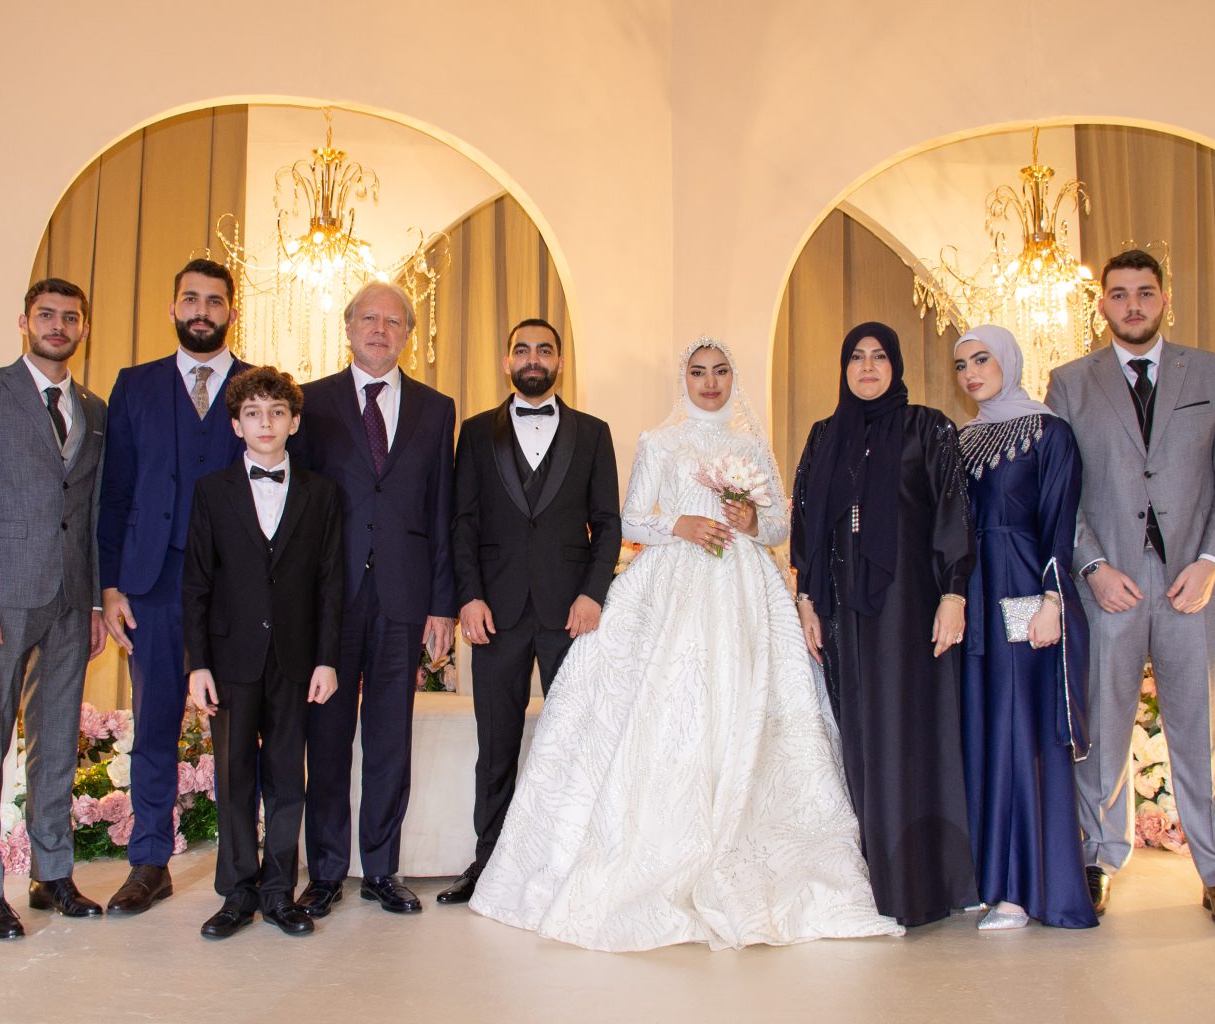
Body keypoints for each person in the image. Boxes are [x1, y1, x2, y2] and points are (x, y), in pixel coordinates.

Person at [470, 339, 903, 951]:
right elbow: (629, 519)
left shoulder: (751, 445)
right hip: (671, 585)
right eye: (698, 372)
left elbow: (781, 525)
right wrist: (680, 523)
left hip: (744, 592)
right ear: (685, 379)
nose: (710, 382)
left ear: (733, 377)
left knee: (745, 709)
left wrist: (752, 523)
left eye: (720, 371)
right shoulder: (660, 441)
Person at [1045, 249, 1215, 929]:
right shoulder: (1069, 383)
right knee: (1103, 733)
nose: (1132, 305)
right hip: (1110, 585)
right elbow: (1060, 490)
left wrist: (1212, 562)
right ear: (1101, 304)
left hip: (1193, 585)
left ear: (1165, 299)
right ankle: (1098, 860)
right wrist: (1092, 567)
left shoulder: (1213, 372)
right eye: (1118, 294)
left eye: (1144, 292)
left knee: (1199, 731)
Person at [791, 321, 978, 928]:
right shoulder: (824, 436)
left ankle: (922, 882)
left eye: (878, 356)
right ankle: (871, 878)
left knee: (911, 733)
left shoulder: (928, 428)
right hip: (841, 610)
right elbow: (806, 524)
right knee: (860, 734)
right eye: (856, 357)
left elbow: (953, 513)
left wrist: (954, 593)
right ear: (843, 368)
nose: (867, 367)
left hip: (911, 609)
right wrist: (807, 600)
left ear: (896, 365)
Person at [0, 278, 108, 939]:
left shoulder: (93, 408)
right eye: (46, 315)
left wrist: (92, 601)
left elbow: (89, 513)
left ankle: (51, 875)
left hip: (70, 600)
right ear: (24, 321)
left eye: (70, 317)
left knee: (57, 743)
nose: (58, 325)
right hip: (1, 599)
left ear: (83, 328)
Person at [437, 318, 621, 906]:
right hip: (496, 613)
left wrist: (593, 594)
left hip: (571, 614)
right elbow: (463, 523)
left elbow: (608, 523)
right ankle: (488, 864)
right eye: (522, 349)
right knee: (496, 748)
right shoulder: (475, 432)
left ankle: (568, 866)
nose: (533, 358)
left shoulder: (593, 433)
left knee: (573, 744)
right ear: (507, 361)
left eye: (544, 350)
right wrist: (468, 596)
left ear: (560, 363)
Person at [291, 281, 456, 916]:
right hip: (330, 598)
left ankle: (383, 870)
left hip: (403, 596)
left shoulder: (436, 409)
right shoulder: (310, 402)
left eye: (393, 321)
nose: (380, 330)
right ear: (349, 326)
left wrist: (442, 602)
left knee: (390, 739)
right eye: (369, 318)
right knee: (327, 739)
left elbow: (440, 508)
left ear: (409, 334)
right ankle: (327, 872)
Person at [98, 258, 251, 914]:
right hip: (152, 584)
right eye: (191, 299)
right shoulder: (134, 385)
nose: (202, 311)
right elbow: (114, 492)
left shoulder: (259, 385)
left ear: (231, 312)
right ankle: (149, 862)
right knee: (155, 725)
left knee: (238, 733)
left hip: (235, 588)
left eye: (214, 301)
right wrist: (109, 587)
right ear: (172, 308)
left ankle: (242, 870)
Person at [183, 367, 345, 939]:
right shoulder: (211, 492)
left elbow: (331, 583)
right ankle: (237, 893)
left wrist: (327, 658)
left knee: (286, 777)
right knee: (232, 777)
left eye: (277, 413)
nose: (266, 423)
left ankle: (278, 892)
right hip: (231, 659)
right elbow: (197, 583)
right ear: (236, 425)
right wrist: (198, 664)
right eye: (253, 413)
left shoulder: (322, 493)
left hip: (296, 660)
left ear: (294, 422)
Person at [951, 325, 1097, 930]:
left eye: (981, 360)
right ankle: (985, 878)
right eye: (961, 365)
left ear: (1008, 361)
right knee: (980, 726)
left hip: (1023, 589)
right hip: (971, 594)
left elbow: (1060, 521)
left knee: (1017, 730)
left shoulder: (1048, 431)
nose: (970, 373)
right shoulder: (960, 439)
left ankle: (1018, 889)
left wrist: (1052, 601)